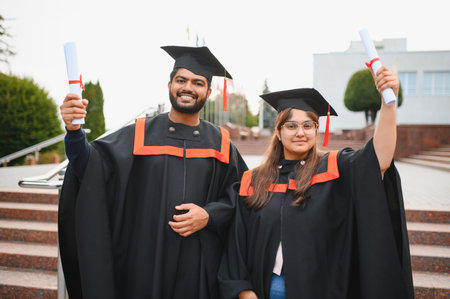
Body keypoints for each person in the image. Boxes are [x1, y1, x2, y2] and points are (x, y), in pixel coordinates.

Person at [58, 46, 248, 298]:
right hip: (144, 265)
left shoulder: (221, 144)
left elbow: (243, 193)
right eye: (181, 80)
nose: (188, 87)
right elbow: (88, 165)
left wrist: (209, 215)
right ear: (169, 84)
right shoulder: (139, 134)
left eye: (197, 82)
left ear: (208, 91)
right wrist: (73, 132)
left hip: (198, 269)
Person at [218, 66, 414, 299]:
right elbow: (237, 243)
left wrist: (388, 104)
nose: (300, 132)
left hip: (321, 288)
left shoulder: (335, 167)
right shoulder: (254, 180)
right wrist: (243, 290)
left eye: (307, 125)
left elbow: (379, 159)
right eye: (291, 126)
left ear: (316, 130)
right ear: (279, 133)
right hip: (268, 289)